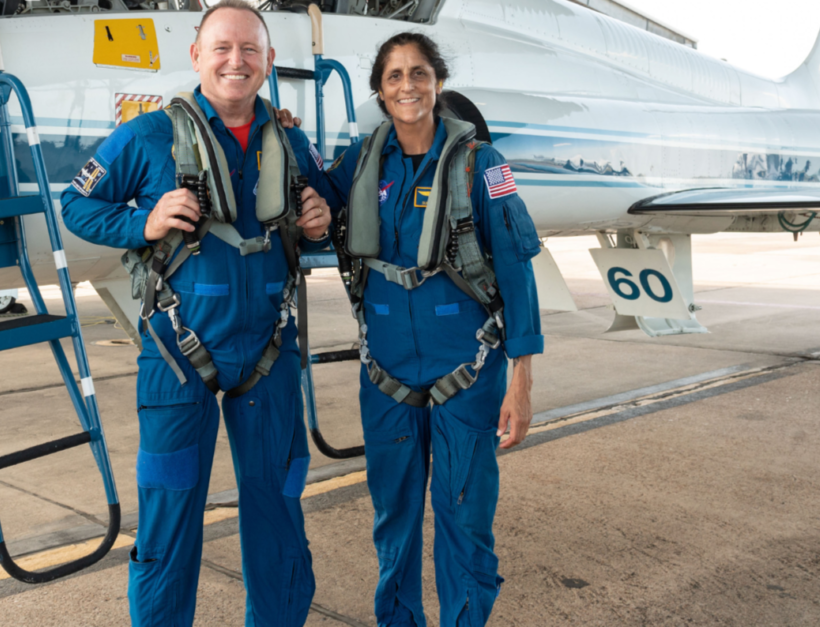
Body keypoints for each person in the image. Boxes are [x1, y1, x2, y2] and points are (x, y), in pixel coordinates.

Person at [60, 1, 336, 624]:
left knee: (278, 508)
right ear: (196, 57)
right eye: (221, 48)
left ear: (267, 62)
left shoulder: (290, 140)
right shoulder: (149, 135)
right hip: (177, 353)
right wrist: (144, 220)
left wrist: (319, 220)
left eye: (249, 50)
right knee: (169, 511)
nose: (235, 61)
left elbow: (326, 208)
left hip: (269, 352)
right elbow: (75, 203)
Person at [324, 33, 543, 626]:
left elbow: (519, 274)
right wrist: (287, 130)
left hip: (467, 373)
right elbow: (312, 196)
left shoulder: (483, 166)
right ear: (380, 90)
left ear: (438, 82)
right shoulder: (362, 162)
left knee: (464, 518)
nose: (407, 86)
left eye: (418, 73)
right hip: (386, 374)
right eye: (394, 76)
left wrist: (521, 382)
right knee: (393, 520)